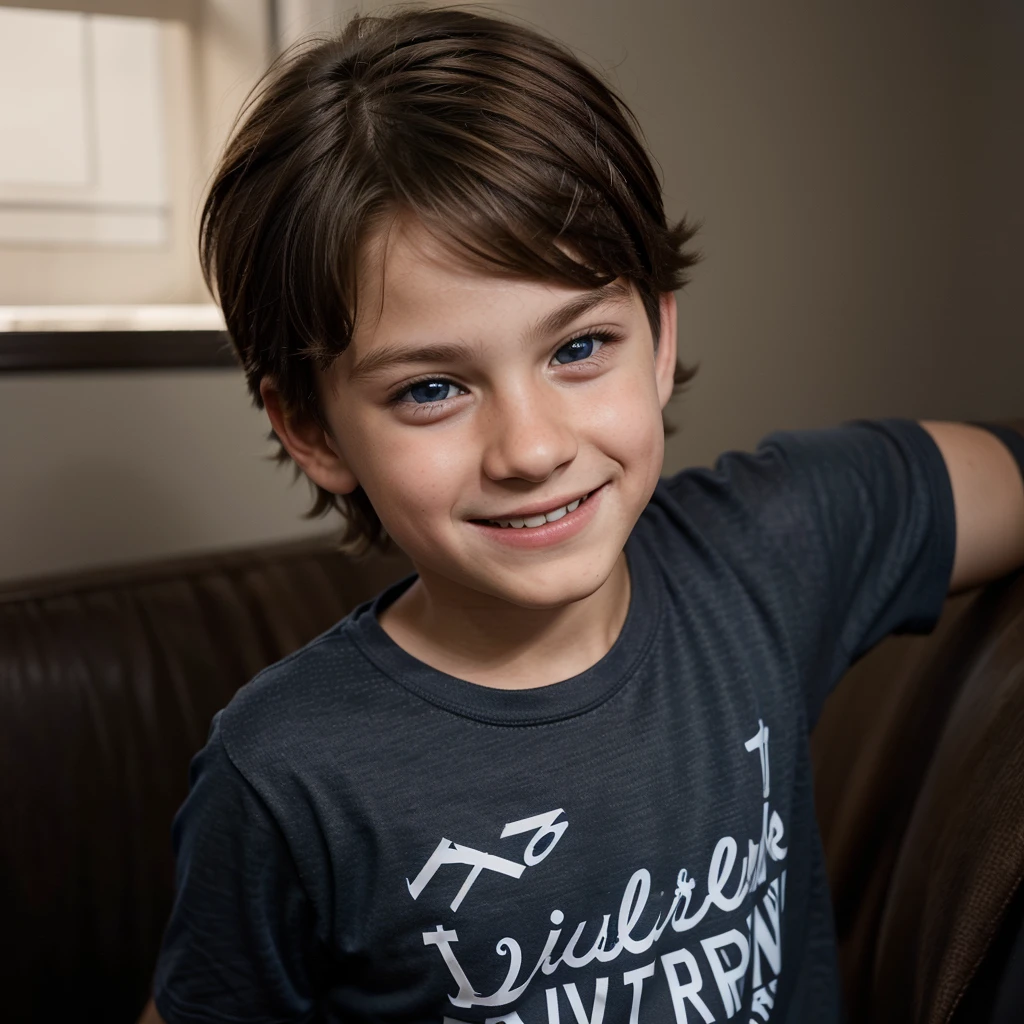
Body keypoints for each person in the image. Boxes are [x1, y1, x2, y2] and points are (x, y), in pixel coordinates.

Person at [146, 7, 1024, 1023]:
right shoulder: (283, 774)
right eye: (431, 389)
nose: (531, 448)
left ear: (656, 340)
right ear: (313, 429)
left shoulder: (769, 549)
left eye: (576, 349)